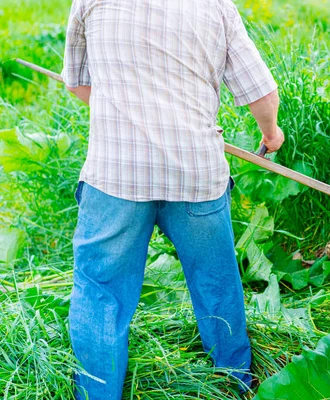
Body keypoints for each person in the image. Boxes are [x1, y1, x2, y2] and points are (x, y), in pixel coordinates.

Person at [61, 0, 284, 398]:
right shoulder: (215, 6)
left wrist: (123, 113)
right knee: (216, 281)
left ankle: (98, 393)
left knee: (101, 292)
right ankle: (234, 383)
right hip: (195, 171)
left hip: (116, 174)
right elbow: (261, 91)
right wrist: (271, 134)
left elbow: (78, 84)